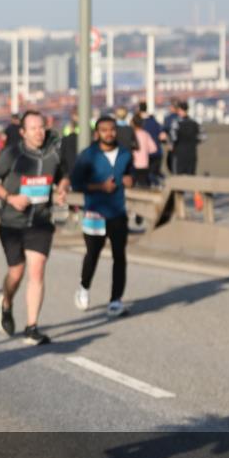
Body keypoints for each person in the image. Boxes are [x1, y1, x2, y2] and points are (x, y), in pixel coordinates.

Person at [0, 110, 69, 344]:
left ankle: (32, 327)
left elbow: (63, 176)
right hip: (12, 223)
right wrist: (10, 198)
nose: (39, 132)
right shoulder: (12, 154)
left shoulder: (54, 152)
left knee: (37, 270)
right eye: (33, 128)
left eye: (41, 127)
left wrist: (62, 189)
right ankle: (6, 302)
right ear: (23, 132)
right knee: (16, 273)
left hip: (41, 222)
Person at [70, 116, 134, 318]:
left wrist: (130, 180)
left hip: (118, 213)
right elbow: (76, 183)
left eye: (112, 129)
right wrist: (100, 186)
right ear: (97, 133)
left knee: (119, 257)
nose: (109, 133)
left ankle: (115, 300)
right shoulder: (88, 155)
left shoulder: (125, 154)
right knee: (92, 254)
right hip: (95, 212)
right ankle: (84, 287)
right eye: (104, 130)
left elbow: (131, 175)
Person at [168, 101, 202, 176]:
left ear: (180, 110)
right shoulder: (194, 123)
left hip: (179, 153)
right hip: (191, 153)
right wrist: (194, 142)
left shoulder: (176, 123)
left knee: (178, 176)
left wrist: (172, 145)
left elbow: (173, 137)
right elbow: (203, 136)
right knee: (190, 176)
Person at [137, 102, 164, 186]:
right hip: (157, 152)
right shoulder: (154, 121)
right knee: (154, 174)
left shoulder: (138, 123)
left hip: (143, 154)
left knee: (145, 178)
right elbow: (162, 136)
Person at [131, 114, 157, 188]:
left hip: (133, 164)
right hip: (144, 163)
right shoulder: (145, 134)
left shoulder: (132, 134)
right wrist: (145, 152)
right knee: (144, 185)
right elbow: (154, 149)